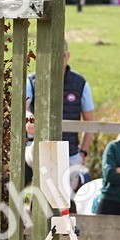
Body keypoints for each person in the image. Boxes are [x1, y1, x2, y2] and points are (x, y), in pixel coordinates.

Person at [26, 41, 96, 185]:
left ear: (67, 56)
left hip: (70, 152)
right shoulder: (32, 81)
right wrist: (29, 117)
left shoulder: (80, 83)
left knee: (64, 195)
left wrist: (83, 152)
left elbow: (90, 123)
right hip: (38, 148)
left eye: (61, 56)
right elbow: (24, 108)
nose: (56, 61)